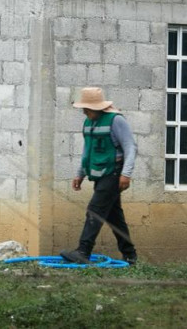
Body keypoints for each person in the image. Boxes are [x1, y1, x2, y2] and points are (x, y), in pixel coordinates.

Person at [60, 87, 138, 266]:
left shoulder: (116, 120)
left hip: (114, 173)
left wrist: (126, 174)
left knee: (94, 210)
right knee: (113, 216)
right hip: (99, 175)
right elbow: (87, 151)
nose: (84, 112)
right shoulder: (89, 123)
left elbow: (130, 147)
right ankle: (130, 255)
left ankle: (83, 251)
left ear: (97, 108)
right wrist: (80, 174)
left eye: (86, 108)